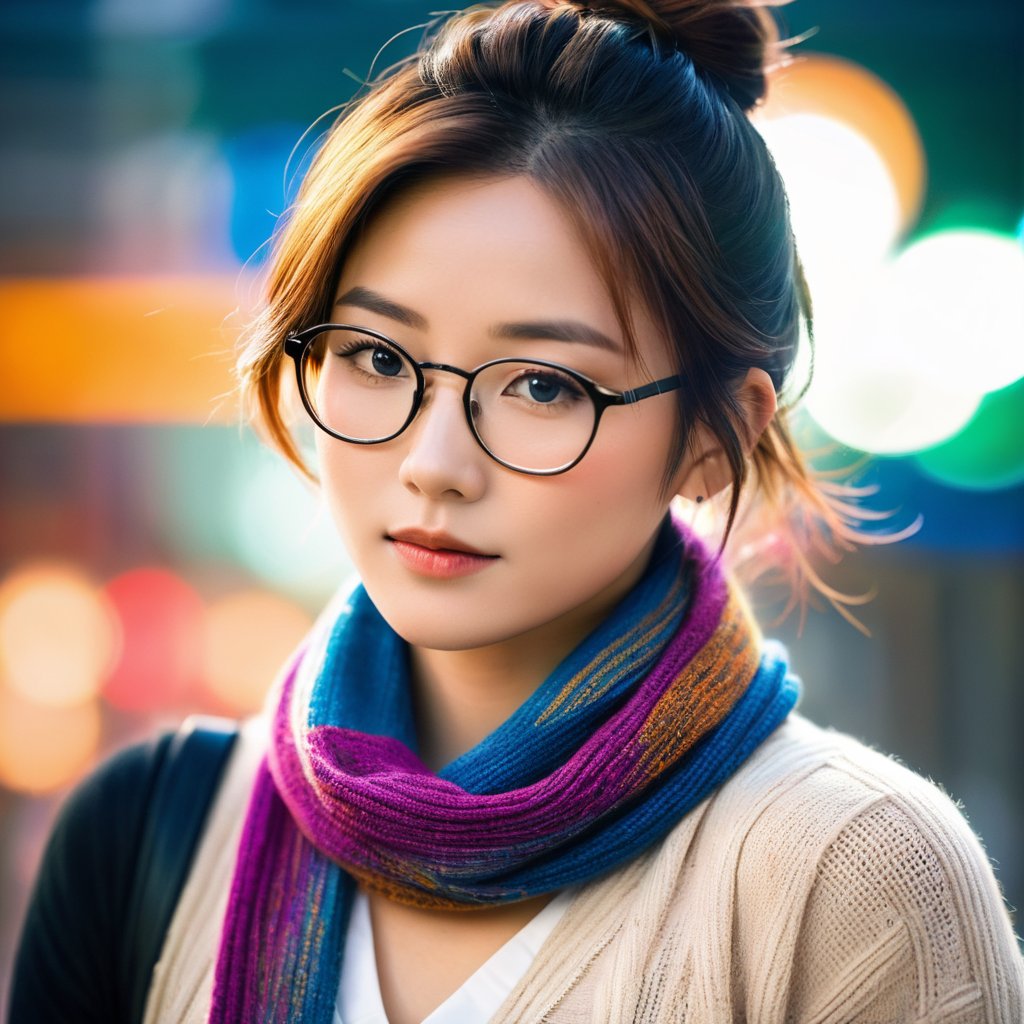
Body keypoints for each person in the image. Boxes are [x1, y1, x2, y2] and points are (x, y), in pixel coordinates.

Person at [9, 1, 1024, 1022]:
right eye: (375, 358)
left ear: (719, 435)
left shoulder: (849, 883)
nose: (434, 463)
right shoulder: (149, 836)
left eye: (543, 385)